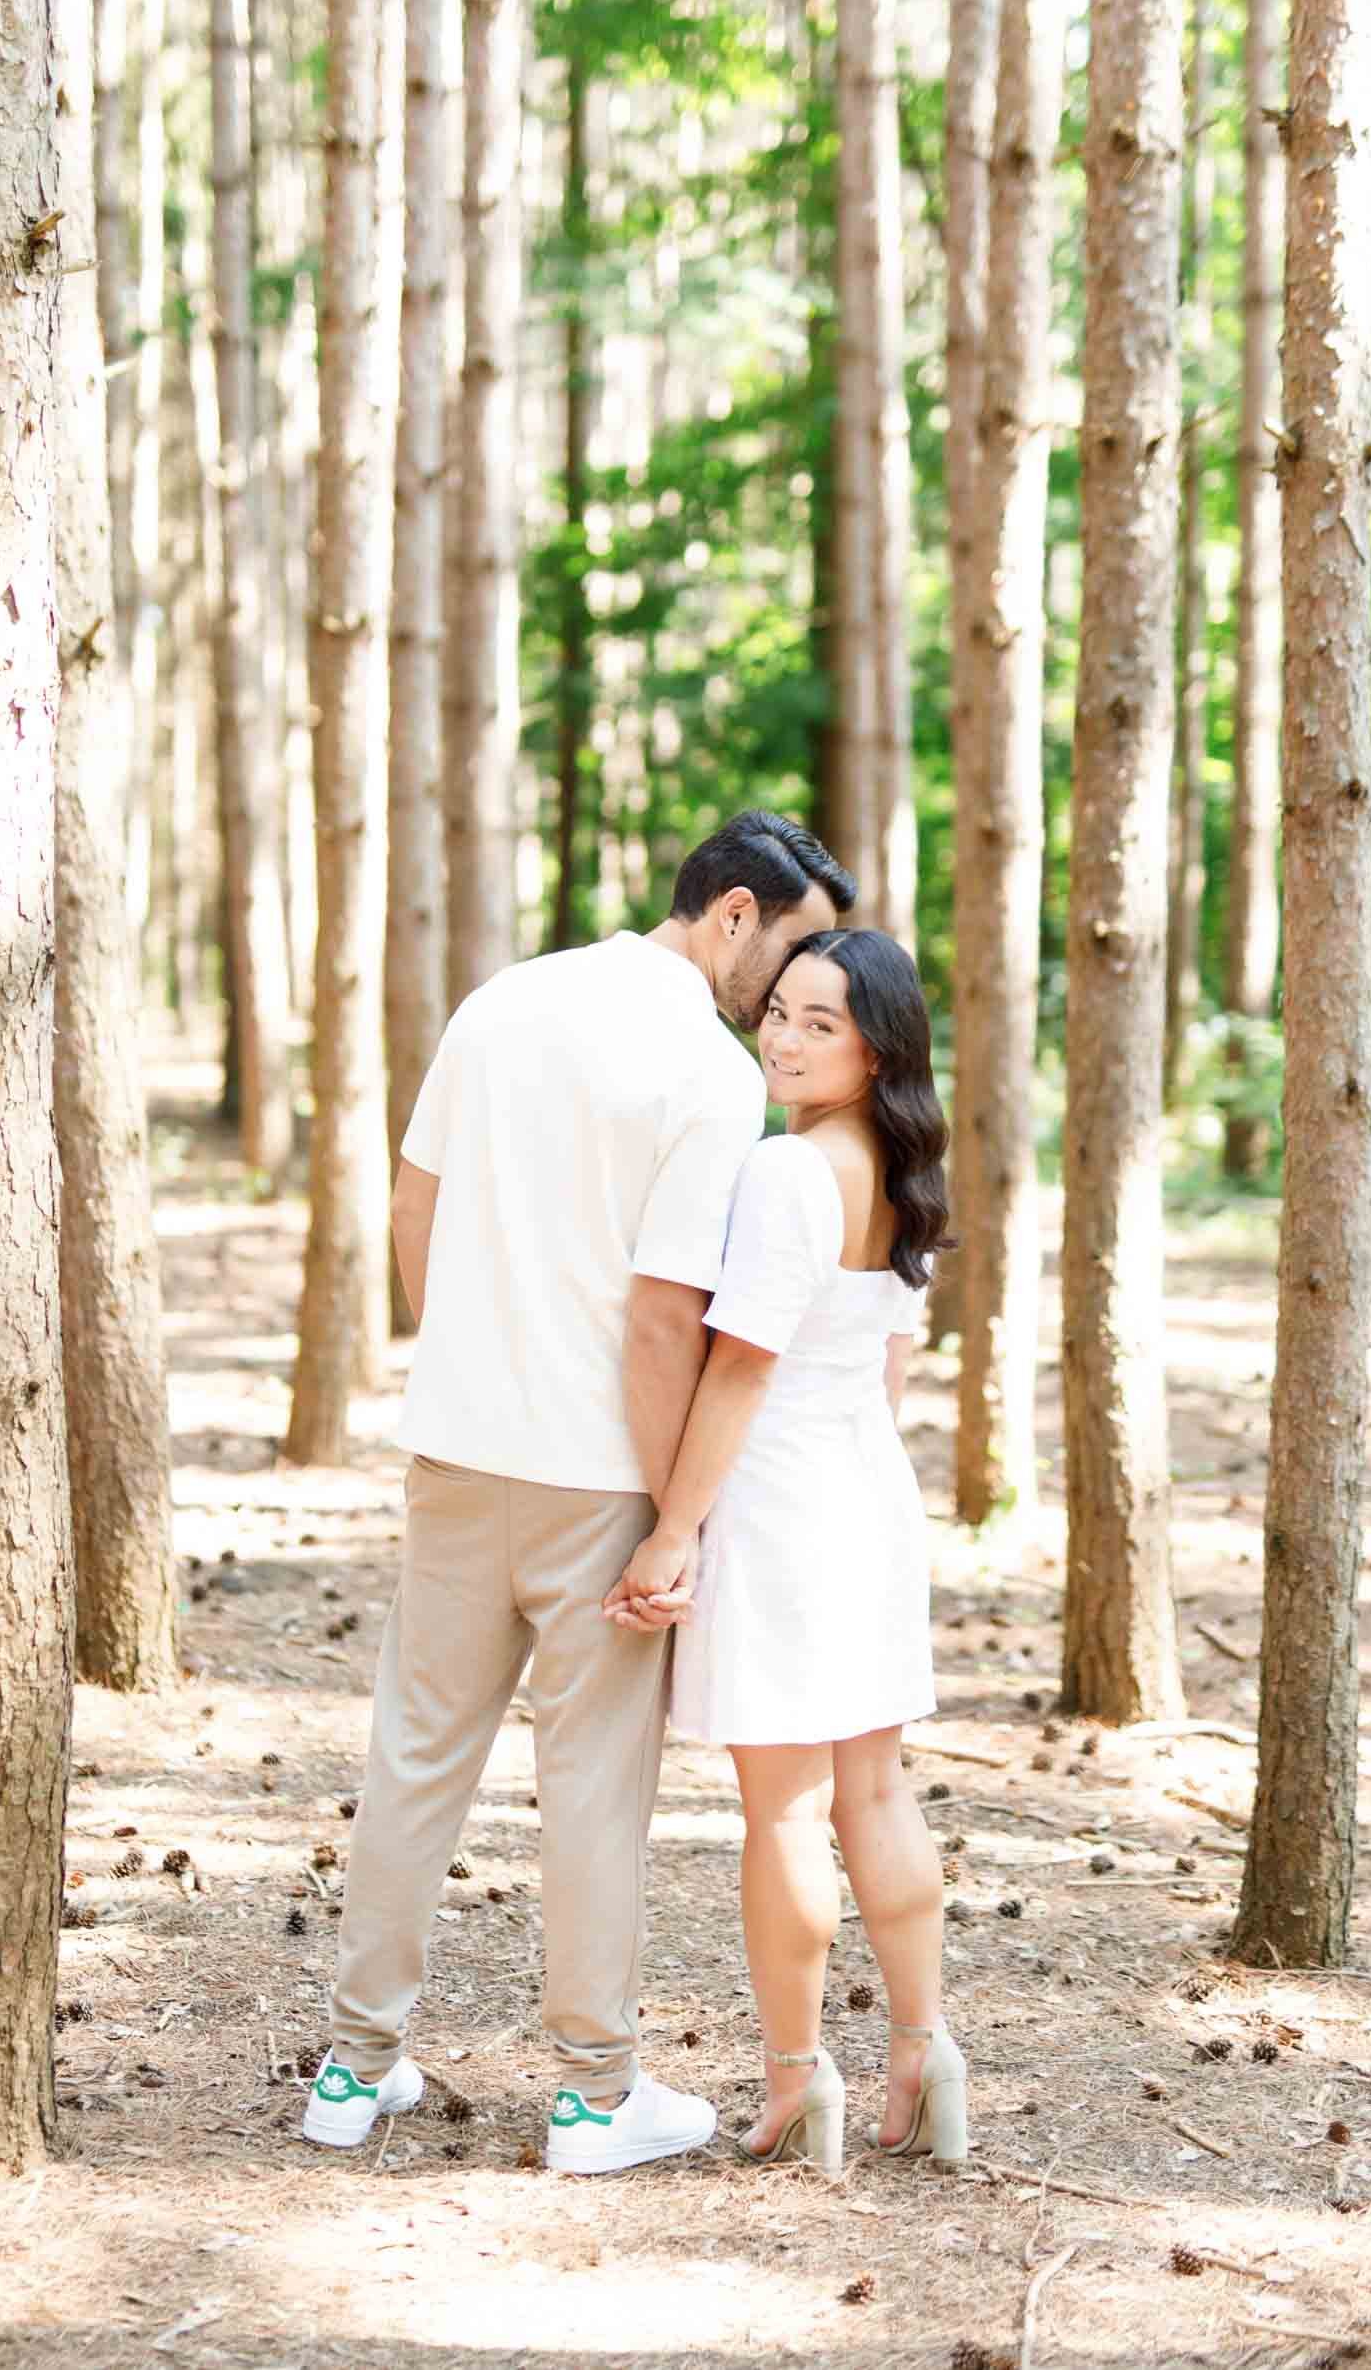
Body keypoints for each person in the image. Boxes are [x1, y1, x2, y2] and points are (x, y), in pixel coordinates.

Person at [301, 810, 856, 2173]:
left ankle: (349, 2069)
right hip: (597, 1476)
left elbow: (413, 1202)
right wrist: (676, 1515)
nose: (786, 995)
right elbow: (667, 1320)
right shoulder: (707, 1075)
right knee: (592, 1790)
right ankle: (593, 2096)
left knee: (414, 1759)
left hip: (457, 1449)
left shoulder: (507, 1001)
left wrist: (465, 1364)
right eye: (788, 951)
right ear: (733, 912)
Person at [611, 928, 962, 2176]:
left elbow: (741, 1365)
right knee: (873, 1786)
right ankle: (924, 2050)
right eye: (781, 1011)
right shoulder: (901, 1166)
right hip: (867, 1491)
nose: (786, 1036)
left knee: (787, 1809)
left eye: (823, 1022)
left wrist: (671, 1527)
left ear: (877, 1047)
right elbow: (885, 1361)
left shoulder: (786, 1172)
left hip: (782, 1506)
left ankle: (794, 2078)